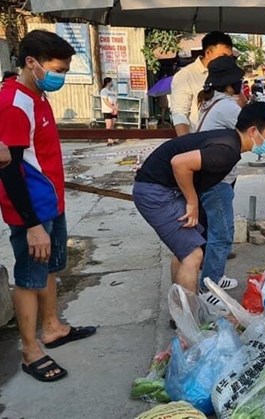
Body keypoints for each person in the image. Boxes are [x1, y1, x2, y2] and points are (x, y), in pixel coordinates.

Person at [0, 30, 96, 382]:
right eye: (57, 69)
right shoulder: (13, 103)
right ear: (31, 62)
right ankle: (29, 350)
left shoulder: (37, 94)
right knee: (29, 277)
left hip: (51, 202)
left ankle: (52, 326)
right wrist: (31, 225)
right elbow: (8, 171)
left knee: (51, 267)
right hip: (32, 212)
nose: (61, 76)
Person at [132, 102, 265, 299]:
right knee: (193, 255)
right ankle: (189, 322)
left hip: (160, 187)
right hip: (156, 192)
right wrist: (192, 203)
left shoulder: (230, 141)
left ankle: (182, 312)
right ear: (254, 131)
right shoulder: (226, 151)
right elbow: (179, 163)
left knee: (184, 250)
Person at [195, 56, 265, 299]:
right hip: (217, 179)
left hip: (212, 175)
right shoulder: (227, 106)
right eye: (238, 81)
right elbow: (257, 137)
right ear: (229, 85)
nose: (241, 84)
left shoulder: (211, 103)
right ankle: (208, 288)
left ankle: (213, 275)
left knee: (214, 231)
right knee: (222, 234)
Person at [170, 31, 234, 136]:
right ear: (208, 53)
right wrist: (186, 145)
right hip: (201, 142)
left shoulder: (229, 75)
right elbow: (179, 114)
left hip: (228, 140)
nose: (226, 60)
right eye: (223, 56)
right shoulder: (185, 76)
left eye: (229, 57)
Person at [100, 77, 118, 146]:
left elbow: (116, 100)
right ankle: (109, 140)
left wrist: (116, 108)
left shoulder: (113, 91)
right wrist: (112, 107)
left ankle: (113, 138)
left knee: (113, 124)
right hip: (107, 110)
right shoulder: (104, 91)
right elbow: (105, 101)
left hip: (114, 110)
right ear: (108, 82)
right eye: (111, 82)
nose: (112, 83)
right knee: (109, 125)